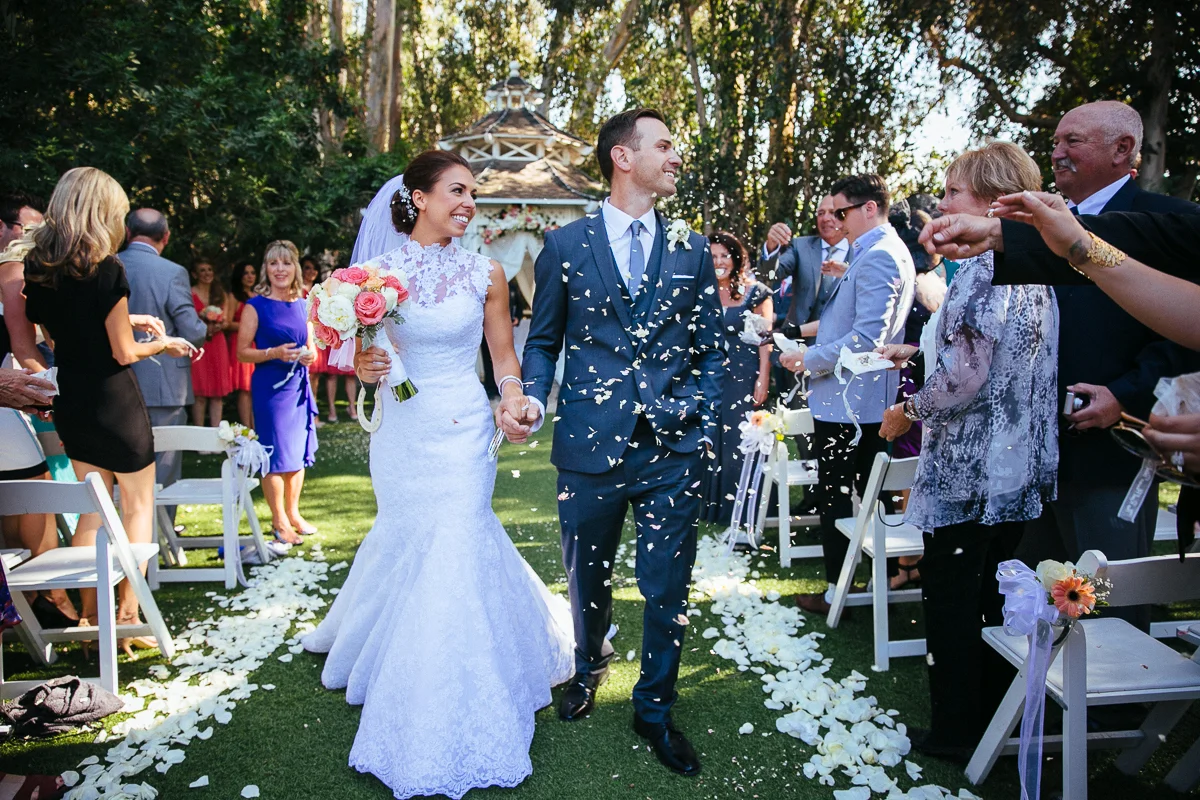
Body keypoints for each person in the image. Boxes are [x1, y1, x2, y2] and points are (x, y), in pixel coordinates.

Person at [302, 149, 573, 799]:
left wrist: (513, 398)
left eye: (472, 193)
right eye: (456, 190)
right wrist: (363, 363)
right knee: (409, 540)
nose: (468, 203)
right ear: (418, 197)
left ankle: (449, 696)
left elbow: (503, 359)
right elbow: (361, 356)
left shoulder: (487, 274)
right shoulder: (371, 278)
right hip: (403, 434)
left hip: (462, 430)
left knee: (455, 542)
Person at [521, 108, 725, 777]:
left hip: (672, 447)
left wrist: (702, 420)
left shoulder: (693, 248)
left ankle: (656, 708)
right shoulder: (565, 244)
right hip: (588, 443)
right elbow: (543, 340)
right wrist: (532, 393)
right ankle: (589, 665)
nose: (676, 156)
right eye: (663, 145)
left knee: (668, 584)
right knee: (587, 574)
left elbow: (710, 348)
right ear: (623, 157)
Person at [874, 141, 1058, 759]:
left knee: (953, 602)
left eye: (954, 191)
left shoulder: (982, 267)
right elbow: (997, 359)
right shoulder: (1039, 265)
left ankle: (956, 732)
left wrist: (906, 411)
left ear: (993, 201)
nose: (944, 202)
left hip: (969, 471)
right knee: (995, 601)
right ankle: (995, 721)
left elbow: (965, 377)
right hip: (1016, 467)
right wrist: (916, 352)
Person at [1014, 101, 1200, 628]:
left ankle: (1117, 688)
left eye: (1072, 141)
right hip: (1036, 452)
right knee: (1036, 604)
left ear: (1123, 149)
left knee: (1109, 607)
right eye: (1055, 141)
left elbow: (1184, 334)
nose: (1057, 152)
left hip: (1110, 450)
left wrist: (1125, 394)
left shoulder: (1171, 220)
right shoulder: (1039, 229)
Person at [23, 167, 192, 655]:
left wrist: (123, 324)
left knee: (92, 511)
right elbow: (123, 351)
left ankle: (91, 622)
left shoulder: (39, 267)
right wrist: (163, 343)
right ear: (102, 211)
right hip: (115, 401)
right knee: (137, 504)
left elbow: (55, 338)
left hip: (73, 398)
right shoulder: (106, 268)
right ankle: (128, 617)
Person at [783, 174, 915, 616]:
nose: (836, 220)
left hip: (852, 405)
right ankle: (874, 584)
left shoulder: (880, 255)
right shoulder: (880, 251)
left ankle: (838, 592)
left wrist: (808, 359)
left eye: (842, 211)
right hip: (860, 401)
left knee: (838, 497)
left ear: (870, 208)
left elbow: (865, 341)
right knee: (867, 495)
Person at [119, 208, 207, 529]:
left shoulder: (106, 265)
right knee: (164, 469)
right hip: (164, 384)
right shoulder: (172, 272)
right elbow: (191, 330)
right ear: (165, 237)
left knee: (120, 467)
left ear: (128, 233)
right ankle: (159, 537)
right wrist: (204, 327)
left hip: (115, 382)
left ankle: (122, 535)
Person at [236, 240, 318, 546]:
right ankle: (278, 520)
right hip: (270, 390)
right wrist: (273, 353)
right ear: (266, 269)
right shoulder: (255, 306)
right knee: (274, 453)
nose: (280, 269)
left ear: (295, 267)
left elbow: (312, 346)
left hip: (298, 387)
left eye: (286, 263)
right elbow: (242, 352)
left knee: (297, 452)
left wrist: (310, 356)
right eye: (273, 263)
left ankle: (294, 513)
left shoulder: (304, 303)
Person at [702, 230, 772, 526]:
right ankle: (710, 507)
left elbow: (765, 340)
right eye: (713, 256)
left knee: (738, 439)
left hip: (744, 375)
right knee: (712, 436)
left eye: (724, 256)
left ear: (736, 258)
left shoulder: (755, 292)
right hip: (709, 376)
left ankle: (743, 507)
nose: (719, 262)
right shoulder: (701, 291)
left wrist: (763, 377)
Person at [761, 193, 848, 340]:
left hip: (841, 344)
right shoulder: (800, 246)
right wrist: (771, 247)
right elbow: (770, 275)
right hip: (795, 343)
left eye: (832, 212)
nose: (825, 218)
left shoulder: (860, 250)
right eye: (821, 213)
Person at [189, 261, 233, 427]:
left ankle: (216, 433)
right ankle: (198, 433)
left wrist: (220, 325)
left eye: (209, 269)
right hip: (200, 343)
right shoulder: (190, 293)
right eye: (202, 270)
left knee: (217, 393)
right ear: (195, 274)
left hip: (217, 343)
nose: (207, 273)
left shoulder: (220, 293)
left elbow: (227, 321)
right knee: (199, 393)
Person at [228, 260, 258, 427]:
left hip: (257, 344)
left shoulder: (257, 296)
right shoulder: (234, 296)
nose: (250, 276)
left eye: (252, 273)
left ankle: (255, 424)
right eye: (246, 273)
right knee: (245, 388)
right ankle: (247, 426)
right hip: (241, 342)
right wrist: (248, 326)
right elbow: (227, 322)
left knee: (254, 387)